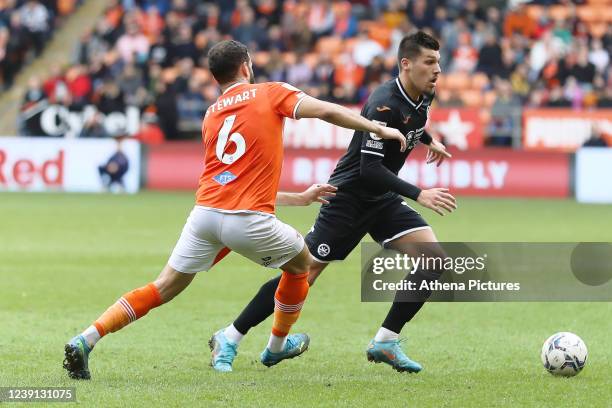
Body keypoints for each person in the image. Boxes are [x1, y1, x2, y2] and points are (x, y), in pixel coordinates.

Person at [62, 39, 408, 379]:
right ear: (246, 66)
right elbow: (329, 111)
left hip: (206, 216)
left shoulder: (211, 115)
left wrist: (297, 198)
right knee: (302, 266)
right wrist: (376, 127)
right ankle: (277, 345)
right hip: (247, 220)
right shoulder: (270, 92)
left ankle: (86, 338)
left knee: (162, 287)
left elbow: (231, 181)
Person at [211, 31, 456, 373]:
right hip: (349, 198)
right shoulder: (383, 103)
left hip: (381, 200)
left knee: (433, 262)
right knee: (302, 275)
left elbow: (413, 122)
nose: (437, 70)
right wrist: (420, 193)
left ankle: (385, 342)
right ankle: (231, 335)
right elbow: (370, 170)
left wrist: (429, 140)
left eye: (438, 63)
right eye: (429, 62)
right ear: (406, 64)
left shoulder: (423, 94)